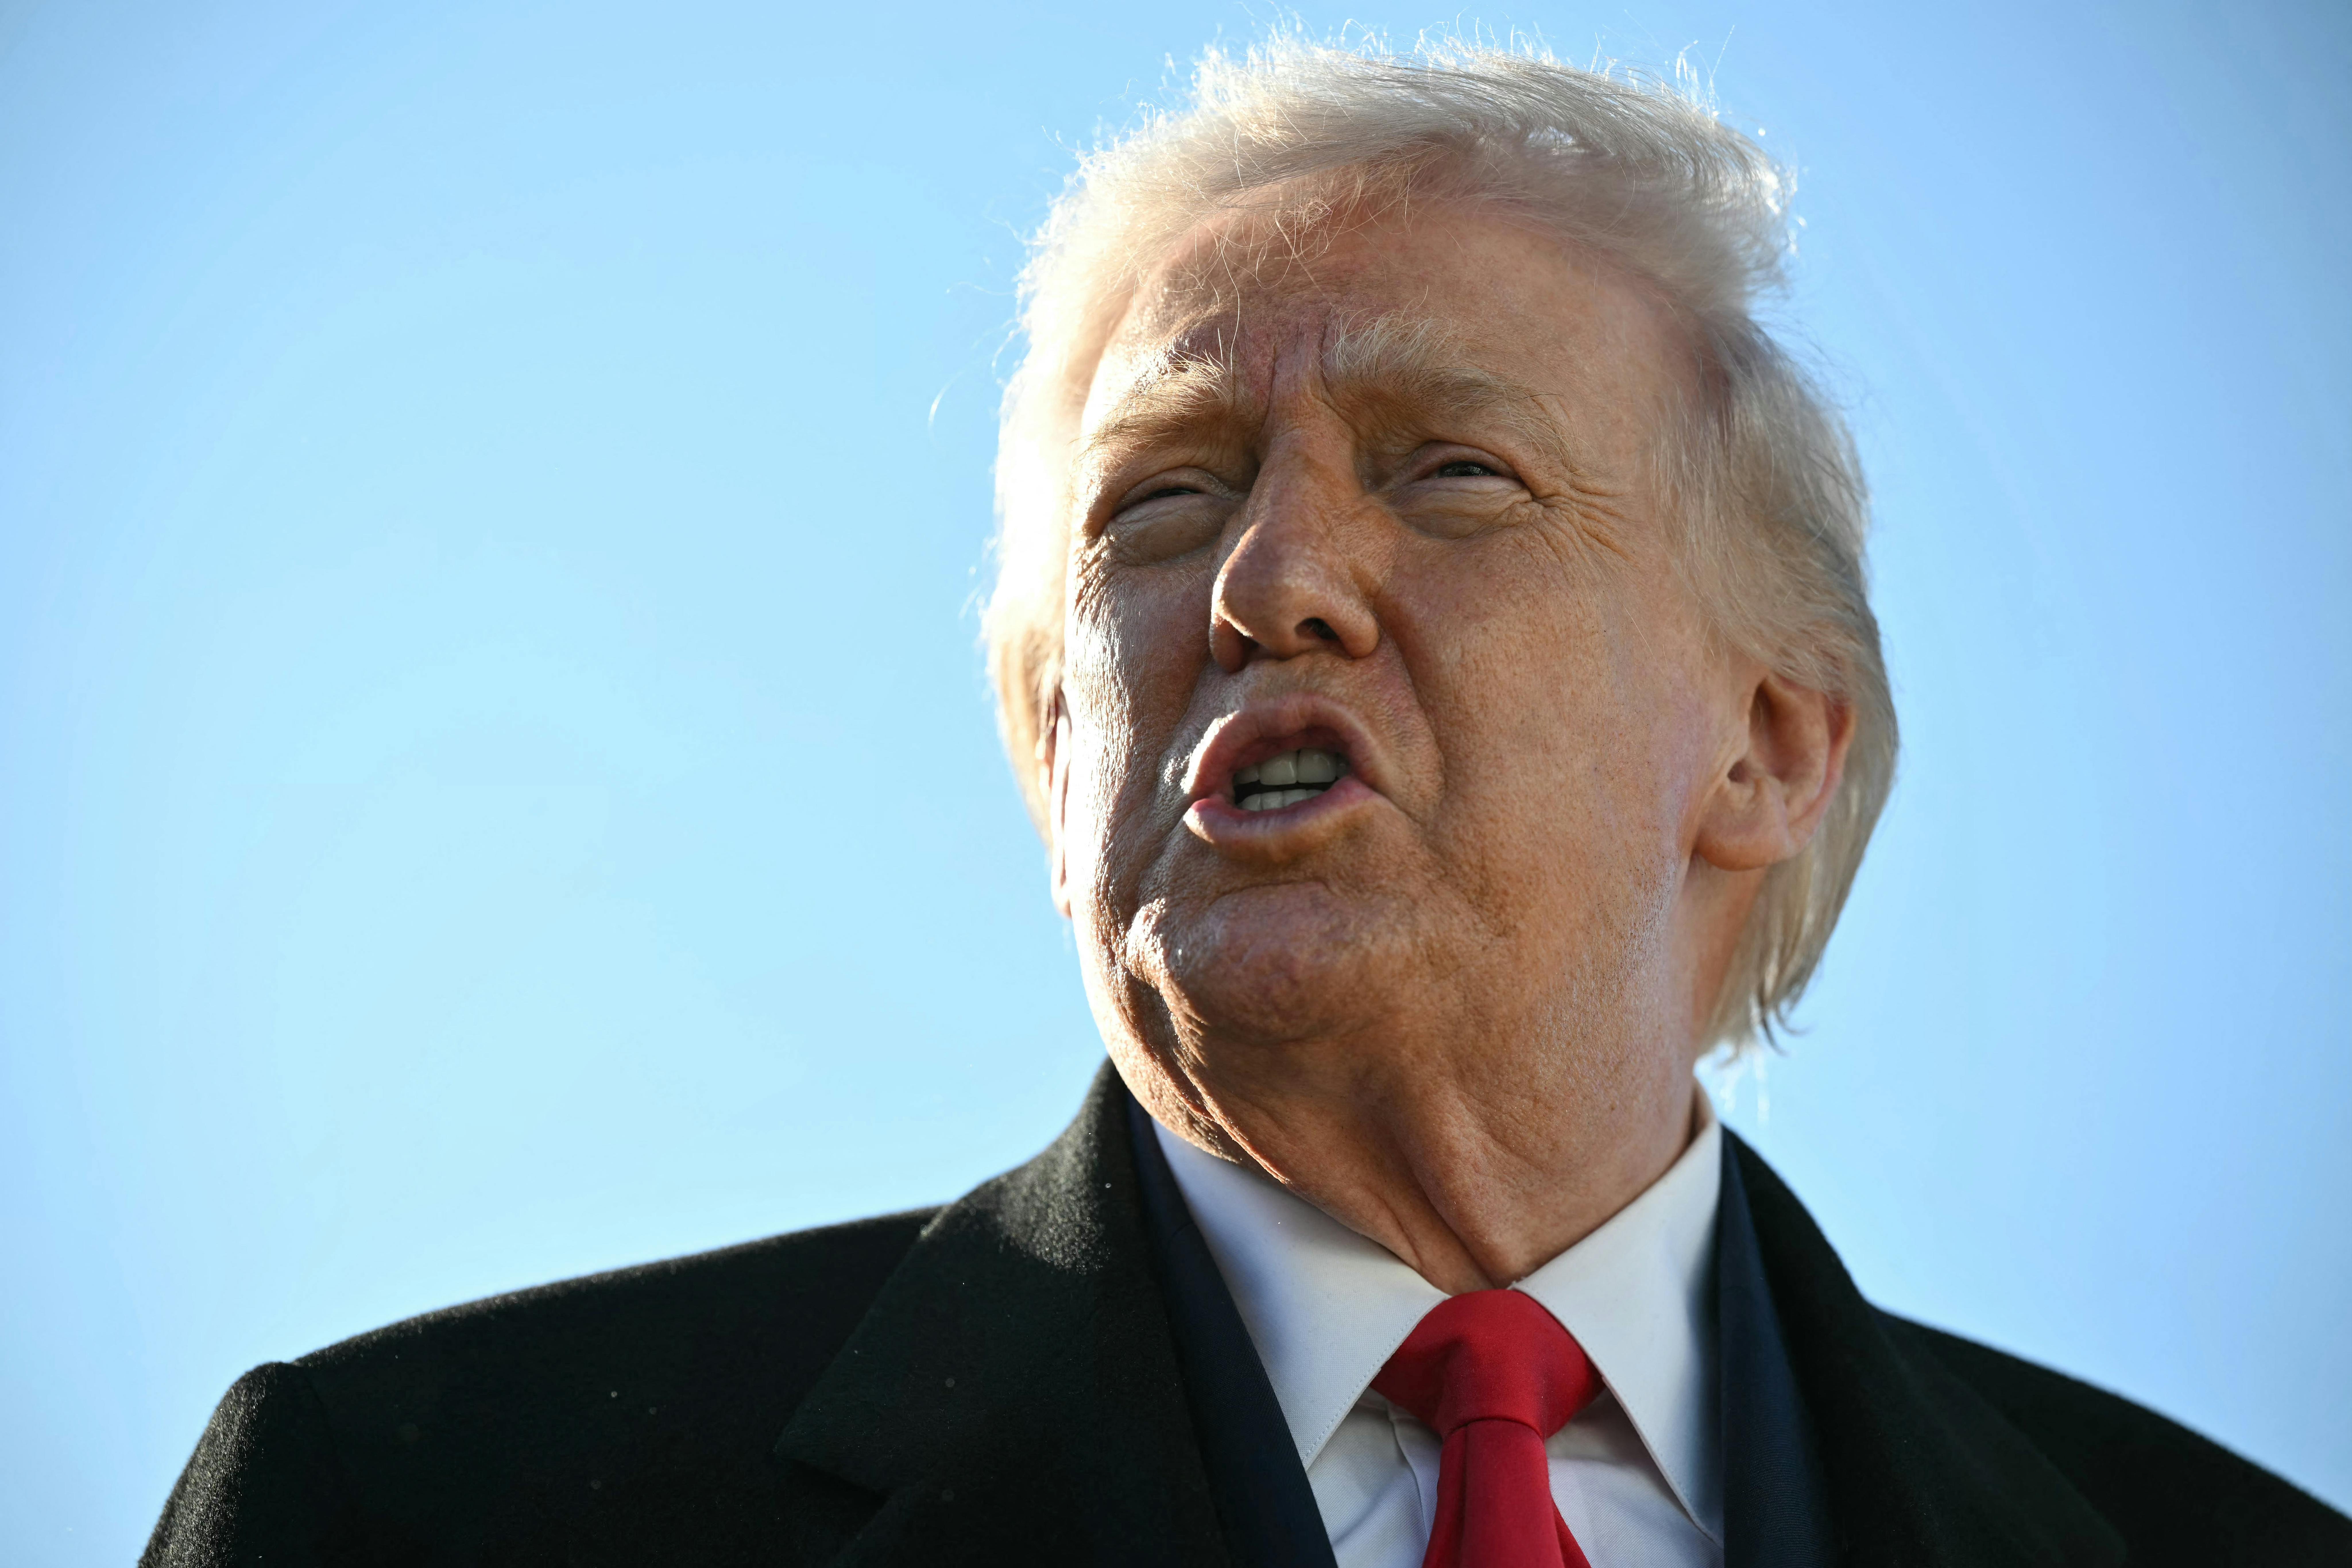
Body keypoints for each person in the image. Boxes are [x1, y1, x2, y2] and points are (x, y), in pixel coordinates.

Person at [144, 37, 2349, 1568]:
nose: (1271, 581)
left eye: (1451, 471)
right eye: (1162, 502)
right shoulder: (418, 1508)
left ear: (1771, 746)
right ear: (1050, 747)